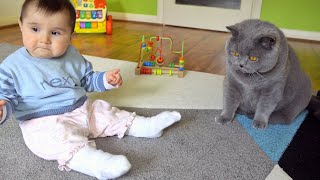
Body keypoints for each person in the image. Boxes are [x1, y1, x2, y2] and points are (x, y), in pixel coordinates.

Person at [0, 0, 181, 179]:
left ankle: (144, 126)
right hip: (40, 118)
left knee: (104, 111)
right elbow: (6, 96)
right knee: (55, 139)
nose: (44, 39)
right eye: (35, 29)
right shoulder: (11, 67)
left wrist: (106, 79)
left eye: (55, 32)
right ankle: (95, 163)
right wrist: (2, 107)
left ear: (71, 36)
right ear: (21, 25)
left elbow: (87, 79)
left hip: (80, 107)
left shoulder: (72, 55)